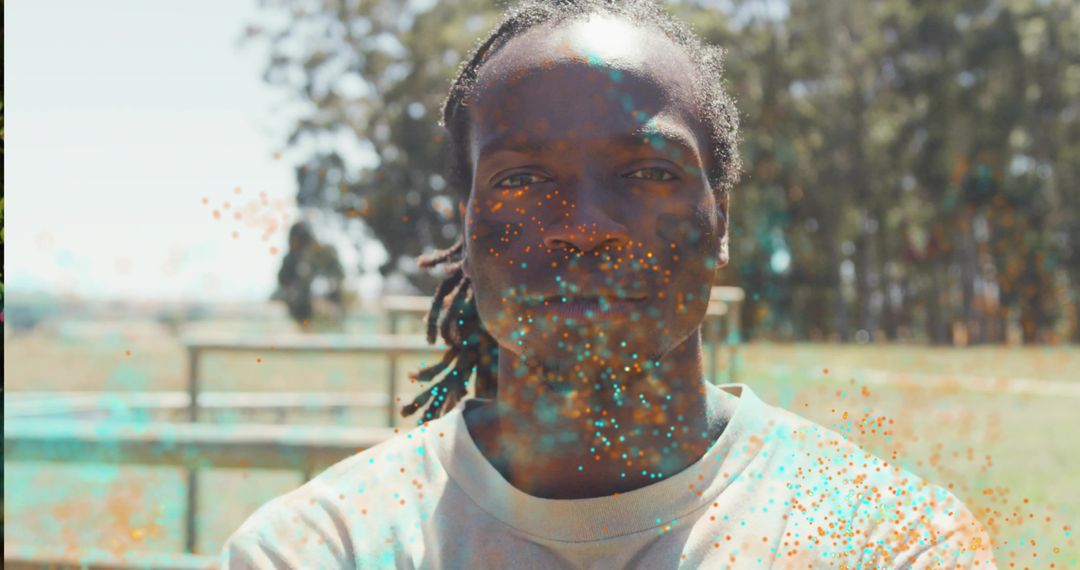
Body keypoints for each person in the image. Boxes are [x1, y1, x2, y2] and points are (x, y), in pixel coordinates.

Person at [221, 1, 996, 567]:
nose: (584, 224)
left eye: (649, 172)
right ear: (465, 226)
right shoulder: (322, 548)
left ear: (718, 221)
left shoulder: (884, 542)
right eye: (523, 179)